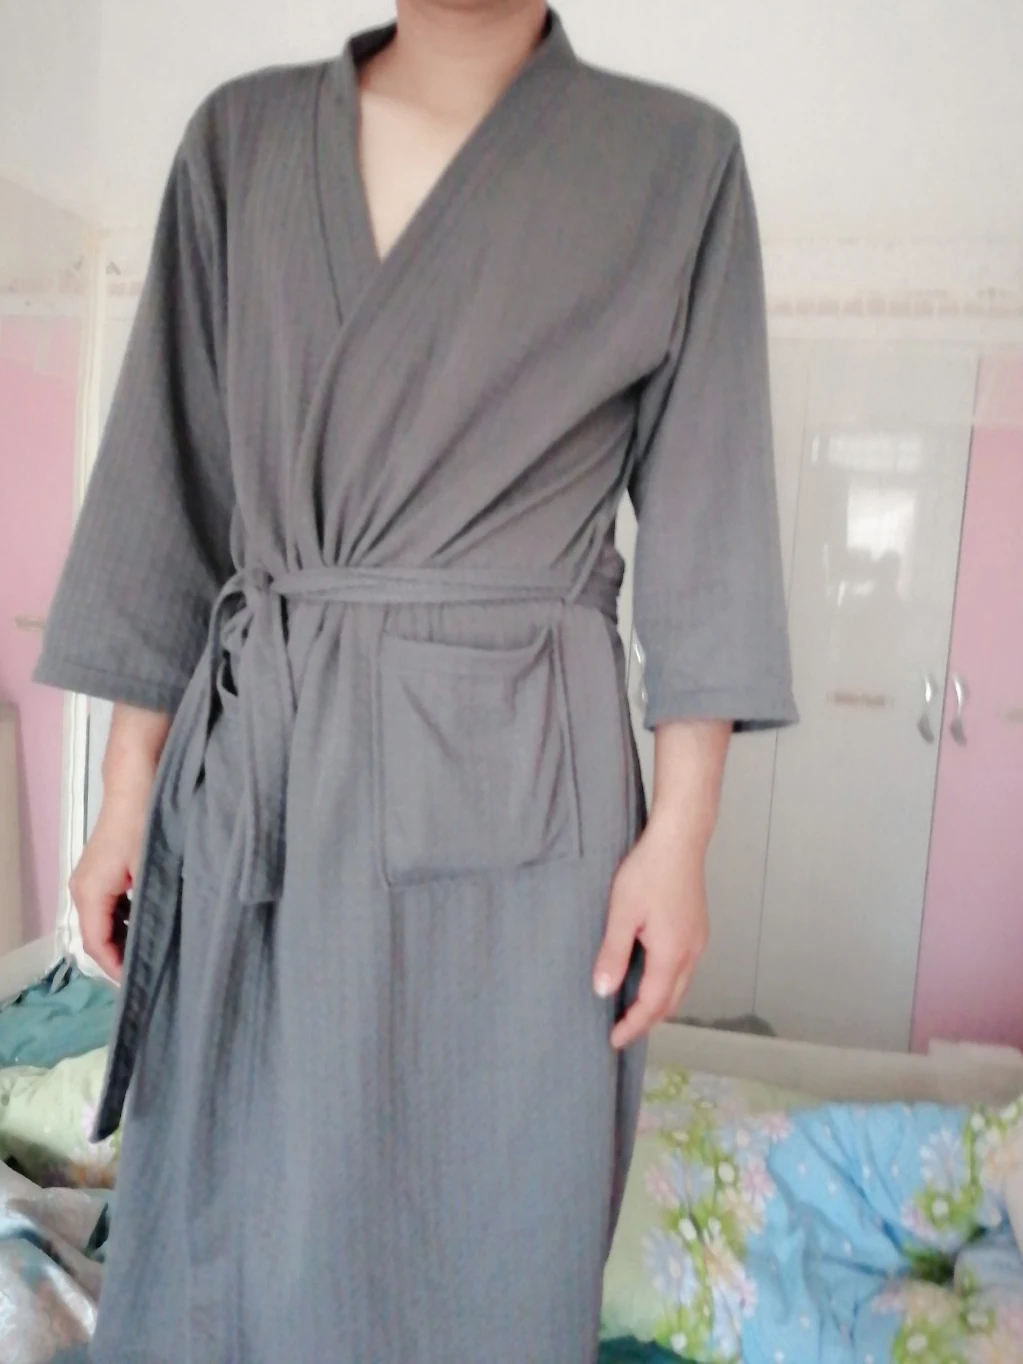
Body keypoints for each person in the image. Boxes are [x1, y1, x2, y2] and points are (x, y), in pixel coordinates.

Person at [36, 1, 796, 1359]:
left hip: (522, 791)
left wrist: (681, 833)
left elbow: (711, 517)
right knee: (232, 1192)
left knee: (490, 1201)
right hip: (265, 761)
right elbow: (168, 480)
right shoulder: (241, 143)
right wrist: (123, 787)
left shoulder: (676, 162)